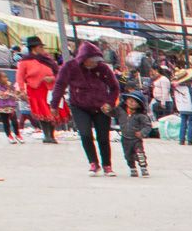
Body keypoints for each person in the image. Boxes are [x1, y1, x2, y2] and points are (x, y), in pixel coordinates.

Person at [51, 41, 121, 176]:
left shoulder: (103, 68)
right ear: (83, 59)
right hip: (79, 106)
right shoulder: (70, 67)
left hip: (101, 107)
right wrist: (54, 104)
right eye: (92, 60)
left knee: (103, 137)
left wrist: (110, 103)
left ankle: (107, 165)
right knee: (85, 134)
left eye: (97, 60)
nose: (95, 63)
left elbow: (114, 87)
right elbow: (60, 85)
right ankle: (93, 163)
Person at [15, 37, 59, 143]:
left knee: (52, 111)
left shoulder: (48, 60)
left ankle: (52, 135)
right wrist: (22, 90)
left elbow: (58, 73)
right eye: (40, 47)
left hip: (50, 88)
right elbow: (20, 76)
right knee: (42, 112)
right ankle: (47, 135)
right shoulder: (25, 61)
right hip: (35, 89)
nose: (42, 49)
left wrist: (52, 78)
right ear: (34, 48)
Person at [118, 92, 152, 177]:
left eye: (134, 102)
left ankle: (143, 167)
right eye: (130, 100)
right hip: (125, 139)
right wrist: (107, 110)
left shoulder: (141, 116)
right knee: (128, 155)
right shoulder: (121, 112)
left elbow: (148, 125)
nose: (131, 103)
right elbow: (111, 112)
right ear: (126, 101)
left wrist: (142, 133)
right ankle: (132, 168)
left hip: (136, 139)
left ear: (139, 105)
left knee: (140, 153)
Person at [0, 71, 21, 143]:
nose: (6, 79)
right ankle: (9, 136)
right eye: (4, 77)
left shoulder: (8, 85)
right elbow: (2, 96)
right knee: (6, 122)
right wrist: (9, 89)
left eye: (6, 77)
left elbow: (14, 94)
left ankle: (17, 134)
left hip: (11, 106)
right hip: (2, 107)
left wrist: (16, 92)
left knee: (15, 122)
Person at [172, 67, 192, 144]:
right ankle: (190, 140)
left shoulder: (177, 88)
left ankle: (181, 139)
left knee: (183, 123)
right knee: (191, 124)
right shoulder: (189, 89)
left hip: (181, 107)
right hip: (190, 108)